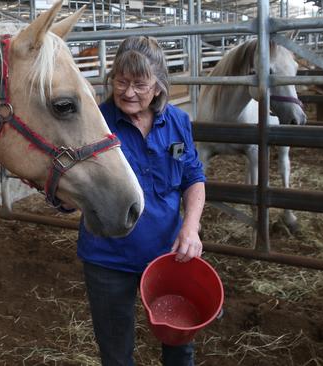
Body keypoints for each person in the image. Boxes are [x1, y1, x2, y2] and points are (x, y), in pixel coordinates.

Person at [77, 36, 206, 366]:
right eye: (121, 81)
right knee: (116, 352)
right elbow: (74, 185)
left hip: (169, 254)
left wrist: (190, 229)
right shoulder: (96, 124)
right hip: (109, 258)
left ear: (160, 85)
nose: (128, 92)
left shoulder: (178, 122)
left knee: (180, 346)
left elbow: (193, 178)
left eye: (139, 83)